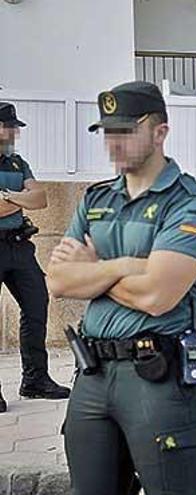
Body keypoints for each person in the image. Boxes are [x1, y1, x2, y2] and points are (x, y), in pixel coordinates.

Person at [46, 81, 196, 494]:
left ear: (160, 132)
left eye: (125, 131)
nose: (113, 143)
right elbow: (57, 280)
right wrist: (125, 266)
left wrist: (94, 271)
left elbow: (157, 297)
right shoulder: (96, 200)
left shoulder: (188, 204)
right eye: (108, 132)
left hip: (157, 379)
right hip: (92, 375)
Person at [0, 102, 70, 413]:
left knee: (36, 306)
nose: (14, 132)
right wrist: (19, 199)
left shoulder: (17, 163)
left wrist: (6, 196)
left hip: (19, 246)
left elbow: (40, 199)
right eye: (9, 127)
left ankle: (35, 380)